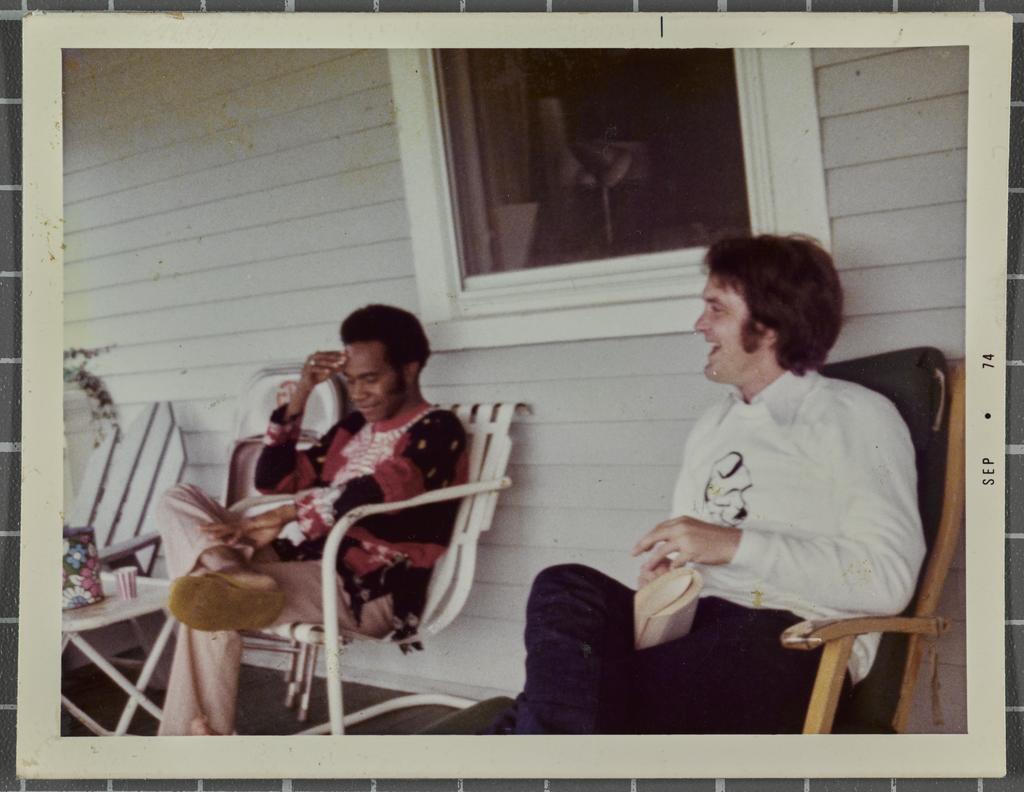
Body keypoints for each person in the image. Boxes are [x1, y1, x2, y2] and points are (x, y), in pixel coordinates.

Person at [487, 234, 926, 734]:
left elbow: (887, 580)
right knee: (565, 586)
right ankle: (544, 744)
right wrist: (669, 581)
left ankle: (524, 740)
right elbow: (696, 563)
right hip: (693, 633)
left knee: (581, 698)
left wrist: (736, 545)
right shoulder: (712, 426)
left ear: (770, 323)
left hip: (789, 640)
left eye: (715, 309)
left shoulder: (856, 417)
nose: (699, 325)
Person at [157, 304, 468, 736]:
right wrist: (302, 392)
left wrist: (287, 513)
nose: (358, 393)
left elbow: (384, 488)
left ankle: (191, 742)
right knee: (179, 498)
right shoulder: (354, 428)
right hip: (304, 564)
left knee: (206, 600)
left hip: (364, 586)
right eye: (351, 381)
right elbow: (274, 479)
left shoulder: (438, 429)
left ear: (410, 370)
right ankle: (228, 575)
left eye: (370, 378)